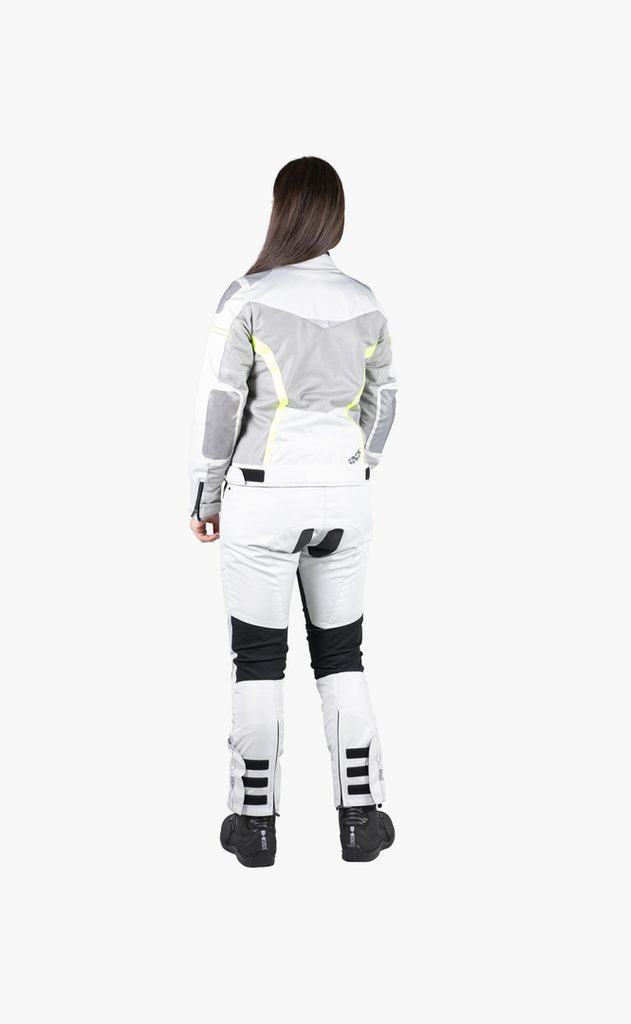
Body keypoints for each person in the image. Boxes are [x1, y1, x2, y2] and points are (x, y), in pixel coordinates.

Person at [188, 157, 398, 867]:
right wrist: (355, 465)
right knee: (341, 655)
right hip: (346, 497)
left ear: (281, 210)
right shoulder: (366, 300)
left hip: (262, 499)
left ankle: (254, 826)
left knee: (258, 661)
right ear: (335, 214)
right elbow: (385, 401)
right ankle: (361, 818)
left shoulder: (247, 296)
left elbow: (219, 406)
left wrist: (205, 494)